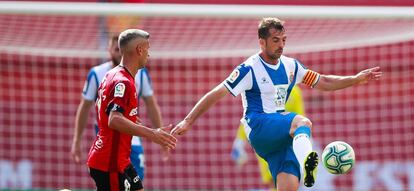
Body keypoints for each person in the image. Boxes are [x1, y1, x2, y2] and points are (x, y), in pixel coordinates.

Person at [171, 17, 382, 191]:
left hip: (278, 139)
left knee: (289, 186)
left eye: (283, 40)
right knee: (303, 122)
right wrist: (188, 121)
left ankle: (303, 167)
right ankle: (308, 162)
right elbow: (215, 93)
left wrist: (355, 79)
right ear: (261, 42)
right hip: (259, 125)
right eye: (275, 40)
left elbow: (323, 81)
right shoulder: (249, 69)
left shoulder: (291, 66)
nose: (281, 45)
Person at [87, 29, 177, 191]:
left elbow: (106, 111)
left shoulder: (111, 75)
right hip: (110, 162)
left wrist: (129, 117)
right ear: (139, 50)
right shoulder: (124, 82)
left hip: (120, 159)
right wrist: (153, 134)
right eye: (148, 49)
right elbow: (113, 119)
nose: (149, 54)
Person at [71, 33, 165, 180]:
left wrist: (160, 135)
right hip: (111, 143)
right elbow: (106, 115)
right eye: (114, 48)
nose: (149, 54)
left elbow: (151, 104)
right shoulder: (103, 75)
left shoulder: (138, 74)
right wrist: (77, 140)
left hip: (130, 139)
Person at [231, 86, 305, 191]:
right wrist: (239, 141)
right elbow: (251, 116)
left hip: (285, 142)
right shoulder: (262, 85)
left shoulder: (295, 91)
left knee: (285, 180)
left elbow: (300, 118)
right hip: (266, 139)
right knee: (275, 180)